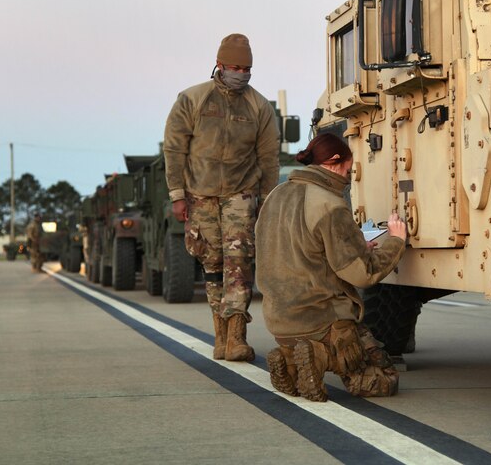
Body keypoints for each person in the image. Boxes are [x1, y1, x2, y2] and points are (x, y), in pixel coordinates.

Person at [255, 133, 407, 401]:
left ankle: (289, 359)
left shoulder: (274, 197)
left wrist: (356, 246)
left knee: (301, 345)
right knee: (382, 380)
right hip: (321, 319)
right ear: (336, 162)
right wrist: (396, 241)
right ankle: (320, 354)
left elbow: (300, 249)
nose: (349, 177)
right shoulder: (329, 203)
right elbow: (362, 274)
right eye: (349, 169)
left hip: (278, 319)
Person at [163, 33, 280, 362]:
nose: (240, 73)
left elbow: (268, 158)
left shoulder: (259, 107)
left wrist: (267, 201)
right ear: (219, 64)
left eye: (246, 69)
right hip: (199, 195)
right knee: (212, 265)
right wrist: (177, 195)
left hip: (241, 194)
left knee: (239, 266)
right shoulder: (192, 99)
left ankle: (237, 337)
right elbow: (174, 149)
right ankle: (220, 335)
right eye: (234, 67)